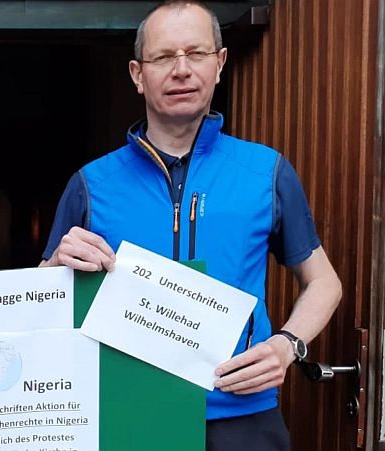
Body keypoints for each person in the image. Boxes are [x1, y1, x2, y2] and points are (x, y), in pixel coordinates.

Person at [40, 1, 341, 449]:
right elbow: (38, 300)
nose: (181, 70)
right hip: (125, 414)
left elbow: (324, 282)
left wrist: (287, 346)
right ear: (138, 74)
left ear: (219, 63)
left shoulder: (266, 172)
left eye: (196, 53)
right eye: (163, 57)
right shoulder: (91, 183)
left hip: (243, 417)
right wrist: (54, 269)